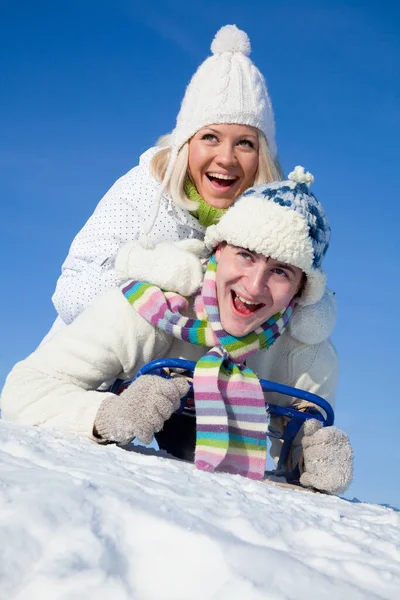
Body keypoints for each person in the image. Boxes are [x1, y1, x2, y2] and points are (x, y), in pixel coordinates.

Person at [1, 172, 352, 494]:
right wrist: (105, 416)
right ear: (218, 250)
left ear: (301, 290)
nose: (254, 285)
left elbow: (297, 452)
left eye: (280, 271)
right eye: (245, 255)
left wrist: (311, 461)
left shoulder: (306, 353)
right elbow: (24, 388)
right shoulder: (155, 306)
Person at [44, 24, 336, 352]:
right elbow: (70, 294)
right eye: (210, 137)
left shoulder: (268, 220)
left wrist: (309, 301)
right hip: (88, 366)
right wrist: (153, 273)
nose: (226, 158)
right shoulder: (145, 191)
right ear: (186, 143)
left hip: (187, 386)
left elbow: (297, 298)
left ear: (261, 157)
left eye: (245, 143)